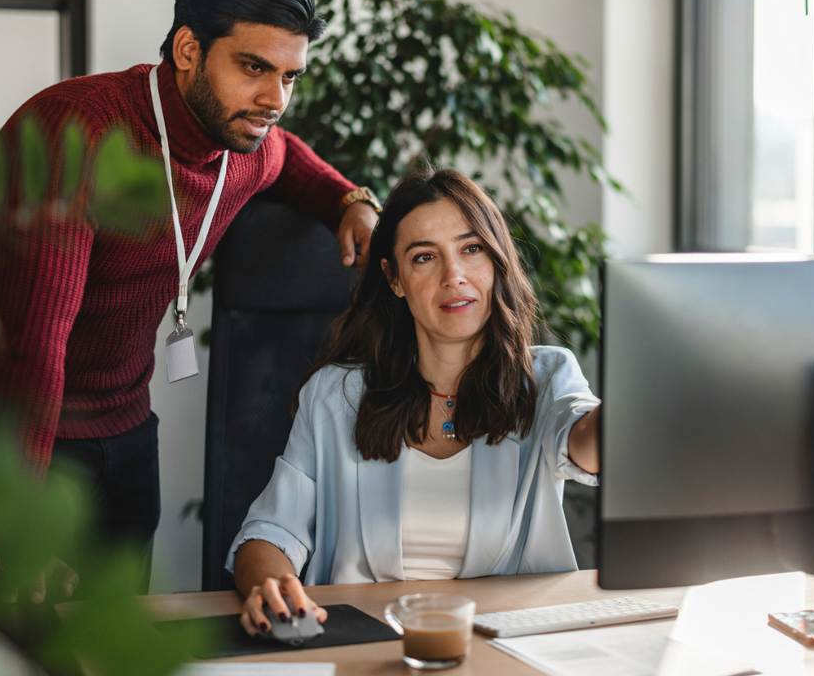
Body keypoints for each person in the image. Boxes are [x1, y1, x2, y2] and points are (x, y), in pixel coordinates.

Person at [0, 0, 380, 599]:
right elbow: (33, 346)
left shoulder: (241, 140)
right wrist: (16, 528)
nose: (275, 99)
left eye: (290, 76)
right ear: (189, 49)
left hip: (126, 428)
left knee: (116, 630)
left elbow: (289, 158)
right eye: (254, 67)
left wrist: (351, 199)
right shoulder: (76, 130)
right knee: (3, 634)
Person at [226, 168, 601, 638]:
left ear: (496, 260)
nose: (454, 276)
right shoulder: (335, 394)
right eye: (424, 257)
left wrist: (638, 390)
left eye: (471, 249)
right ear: (395, 278)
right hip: (361, 642)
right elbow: (270, 532)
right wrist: (272, 587)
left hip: (505, 645)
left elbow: (587, 444)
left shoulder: (545, 378)